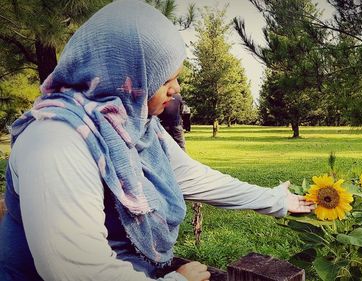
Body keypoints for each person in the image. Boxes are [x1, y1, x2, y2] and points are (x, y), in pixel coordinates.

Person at [0, 1, 314, 281]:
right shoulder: (55, 140)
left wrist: (273, 200)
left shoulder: (129, 122)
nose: (176, 89)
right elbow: (76, 270)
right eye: (165, 79)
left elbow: (187, 175)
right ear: (127, 76)